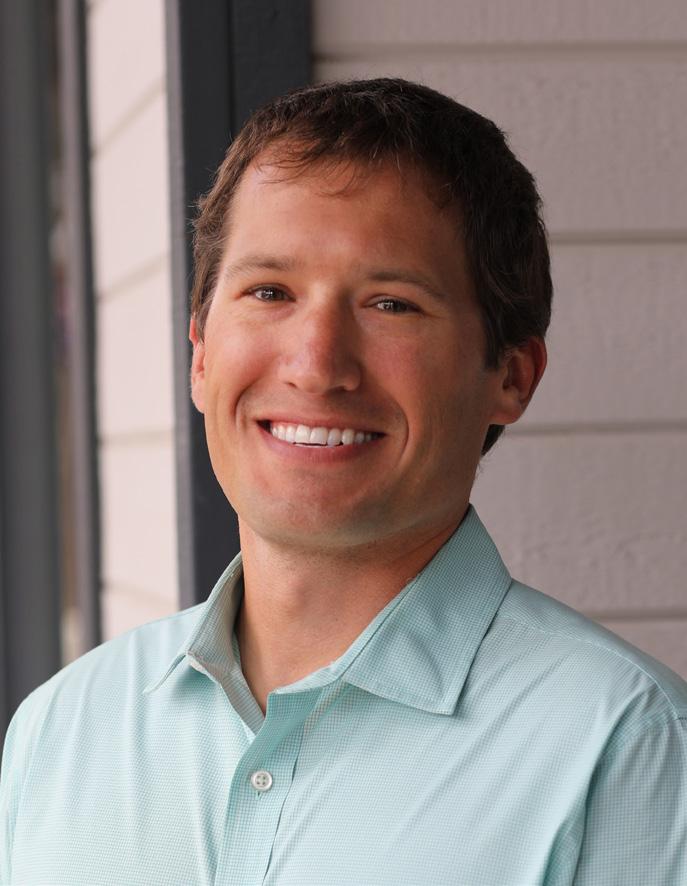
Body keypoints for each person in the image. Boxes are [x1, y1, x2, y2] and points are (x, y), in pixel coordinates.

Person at [1, 78, 686, 886]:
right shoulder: (61, 727)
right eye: (269, 292)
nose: (316, 364)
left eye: (390, 304)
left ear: (509, 376)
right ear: (200, 354)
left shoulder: (625, 750)